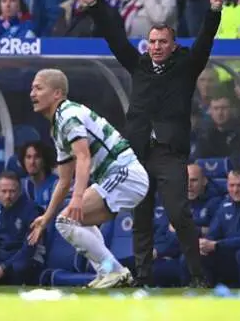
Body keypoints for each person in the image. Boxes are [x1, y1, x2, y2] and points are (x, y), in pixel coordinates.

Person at [79, 0, 225, 287]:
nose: (156, 47)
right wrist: (95, 6)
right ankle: (142, 278)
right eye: (153, 42)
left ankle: (198, 276)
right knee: (141, 219)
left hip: (169, 154)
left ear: (173, 46)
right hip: (137, 154)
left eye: (163, 42)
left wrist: (213, 12)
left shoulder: (186, 68)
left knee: (179, 215)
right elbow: (115, 38)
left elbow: (204, 43)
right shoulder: (139, 66)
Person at [28, 69, 150, 289]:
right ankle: (109, 272)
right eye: (32, 88)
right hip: (120, 177)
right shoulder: (58, 125)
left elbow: (83, 157)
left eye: (38, 88)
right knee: (70, 220)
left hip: (125, 174)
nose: (32, 93)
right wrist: (46, 217)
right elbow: (64, 180)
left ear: (57, 93)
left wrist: (77, 198)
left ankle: (114, 271)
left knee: (66, 220)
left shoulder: (68, 115)